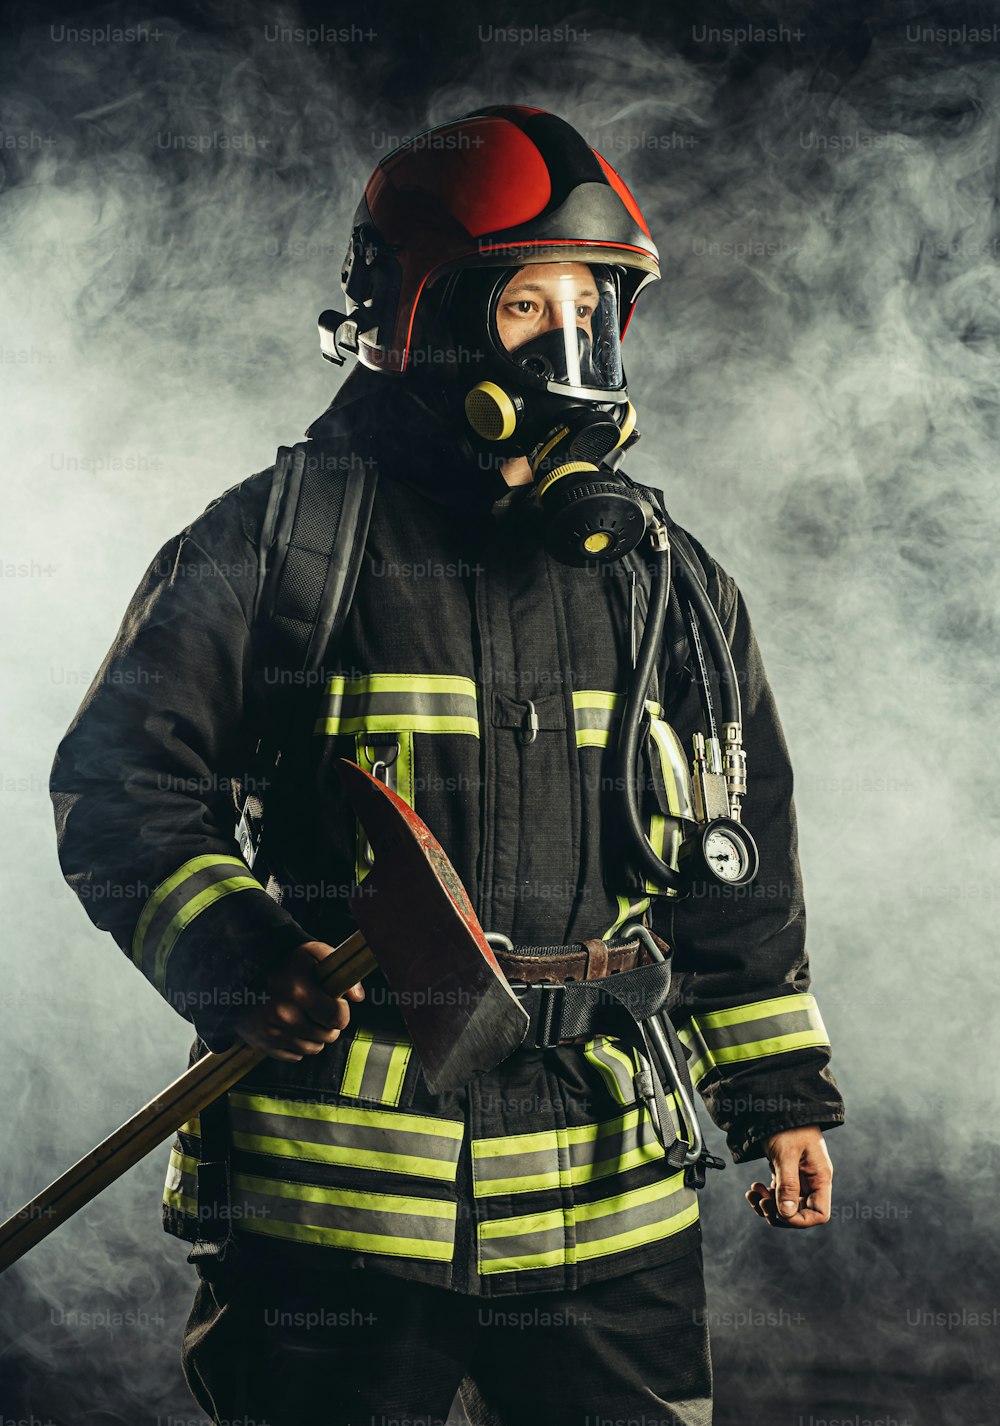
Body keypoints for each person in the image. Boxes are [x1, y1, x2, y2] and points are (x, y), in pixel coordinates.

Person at [50, 105, 845, 1426]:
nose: (570, 341)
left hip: (608, 1219)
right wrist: (244, 957)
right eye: (530, 302)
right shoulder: (276, 546)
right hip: (337, 1219)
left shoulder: (666, 585)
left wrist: (774, 1095)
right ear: (432, 311)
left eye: (593, 304)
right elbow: (123, 781)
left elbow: (731, 858)